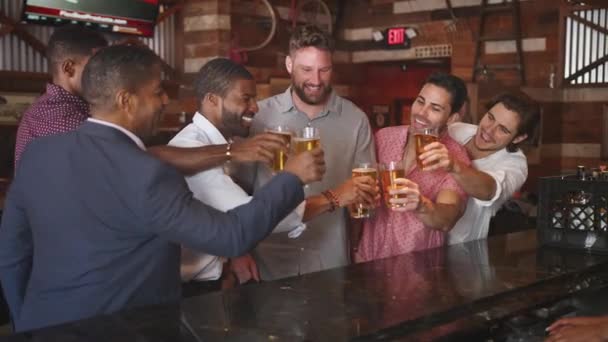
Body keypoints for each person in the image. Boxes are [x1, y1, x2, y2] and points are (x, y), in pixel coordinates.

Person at [0, 45, 325, 332]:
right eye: (157, 92)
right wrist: (292, 178)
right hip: (126, 329)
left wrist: (24, 320)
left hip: (42, 324)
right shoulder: (146, 172)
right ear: (126, 100)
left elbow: (13, 252)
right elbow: (231, 235)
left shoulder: (39, 154)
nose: (165, 101)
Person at [170, 58, 377, 290]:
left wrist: (238, 254)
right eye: (246, 98)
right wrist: (333, 197)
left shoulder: (221, 146)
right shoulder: (192, 149)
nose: (256, 107)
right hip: (193, 288)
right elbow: (250, 217)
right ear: (212, 100)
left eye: (255, 98)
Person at [14, 25, 287, 177]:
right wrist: (232, 153)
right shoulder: (57, 117)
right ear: (69, 69)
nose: (105, 74)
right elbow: (132, 160)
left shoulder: (78, 108)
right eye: (97, 65)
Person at [239, 25, 376, 280]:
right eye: (307, 69)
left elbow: (364, 195)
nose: (316, 80)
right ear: (290, 65)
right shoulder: (260, 116)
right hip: (267, 263)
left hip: (331, 262)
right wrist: (237, 253)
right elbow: (237, 194)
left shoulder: (356, 120)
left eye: (324, 70)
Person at [355, 72, 471, 262]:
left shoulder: (456, 157)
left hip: (415, 270)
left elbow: (447, 219)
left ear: (452, 118)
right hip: (367, 258)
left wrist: (421, 205)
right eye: (420, 101)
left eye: (435, 108)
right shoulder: (383, 137)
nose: (421, 113)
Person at [423, 91, 540, 245]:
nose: (488, 130)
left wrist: (453, 165)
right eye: (490, 118)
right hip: (419, 239)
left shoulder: (516, 164)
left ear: (519, 138)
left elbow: (489, 190)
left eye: (503, 129)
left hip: (460, 252)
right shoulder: (457, 129)